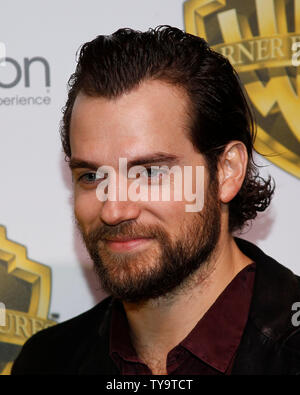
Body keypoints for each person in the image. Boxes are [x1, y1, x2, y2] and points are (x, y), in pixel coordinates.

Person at [11, 25, 300, 375]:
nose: (114, 209)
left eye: (149, 172)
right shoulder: (47, 362)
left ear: (227, 171)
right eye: (91, 176)